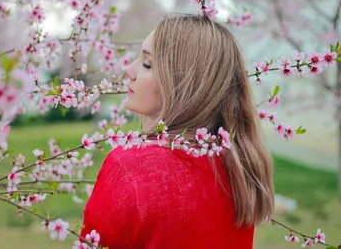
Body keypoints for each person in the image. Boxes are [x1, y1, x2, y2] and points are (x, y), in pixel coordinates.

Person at [80, 14, 274, 248]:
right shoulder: (237, 167)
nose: (127, 70)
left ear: (182, 83)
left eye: (147, 64)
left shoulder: (130, 167)